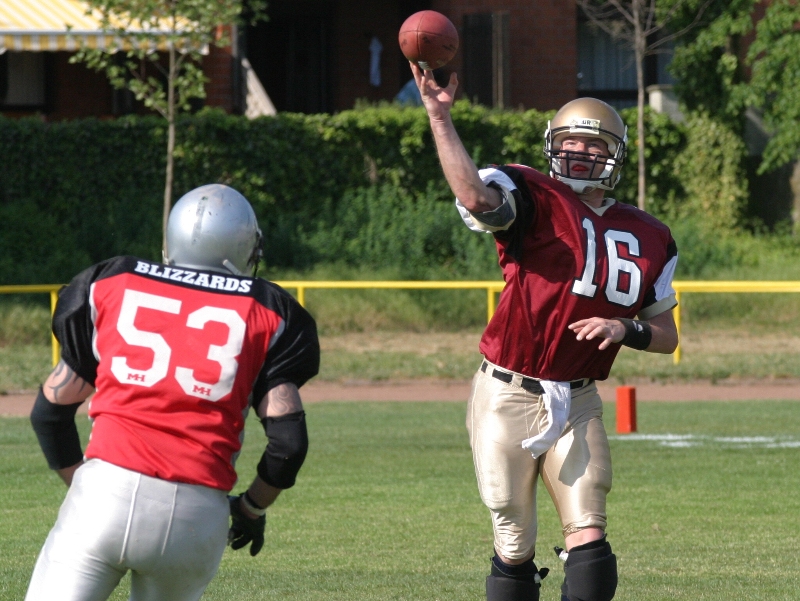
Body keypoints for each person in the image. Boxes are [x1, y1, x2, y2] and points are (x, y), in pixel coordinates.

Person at [411, 63, 679, 601]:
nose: (580, 153)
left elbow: (666, 335)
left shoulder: (650, 233)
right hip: (507, 391)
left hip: (579, 398)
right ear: (552, 146)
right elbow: (476, 197)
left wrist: (623, 327)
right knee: (514, 541)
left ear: (616, 155)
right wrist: (439, 117)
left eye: (594, 145)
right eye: (570, 142)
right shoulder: (532, 192)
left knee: (590, 533)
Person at [26, 184, 320, 601]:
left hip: (104, 494)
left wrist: (87, 488)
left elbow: (49, 413)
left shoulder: (114, 282)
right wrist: (251, 509)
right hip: (196, 515)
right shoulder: (268, 310)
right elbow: (288, 444)